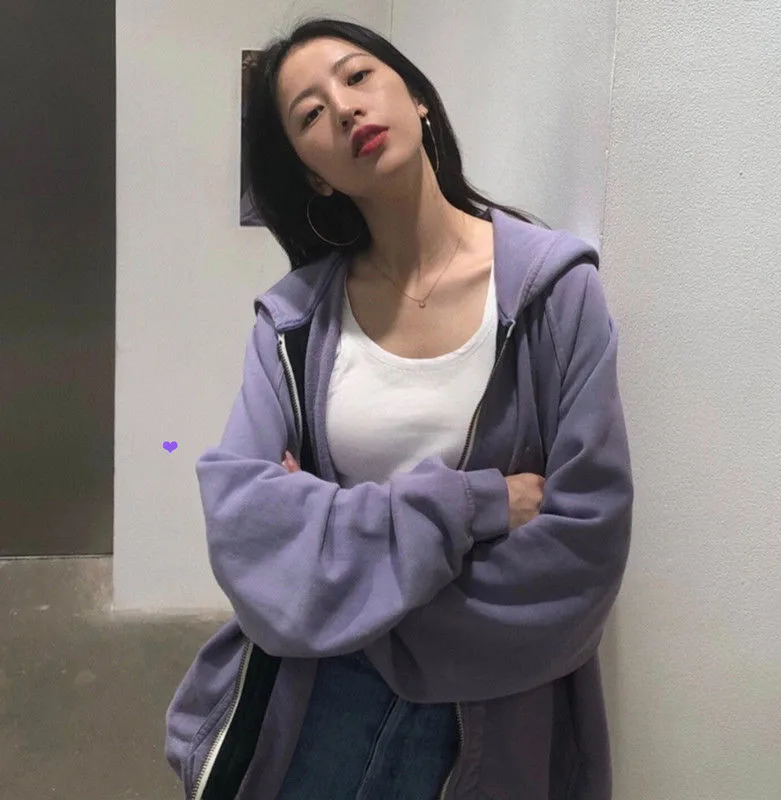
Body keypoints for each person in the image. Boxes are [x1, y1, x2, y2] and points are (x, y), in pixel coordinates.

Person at [165, 15, 633, 800]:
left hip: (491, 718)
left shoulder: (554, 294)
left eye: (357, 77)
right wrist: (478, 504)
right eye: (310, 115)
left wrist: (334, 560)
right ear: (314, 176)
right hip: (318, 712)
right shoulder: (292, 323)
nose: (346, 108)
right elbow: (246, 528)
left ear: (415, 97)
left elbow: (584, 548)